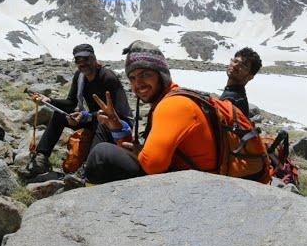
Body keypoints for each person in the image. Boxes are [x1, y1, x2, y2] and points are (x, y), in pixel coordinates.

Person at [83, 40, 217, 185]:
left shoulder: (173, 105)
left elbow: (153, 166)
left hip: (197, 185)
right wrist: (116, 127)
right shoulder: (167, 100)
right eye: (132, 78)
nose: (138, 84)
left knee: (101, 154)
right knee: (105, 131)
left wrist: (140, 153)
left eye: (145, 74)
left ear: (161, 75)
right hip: (187, 176)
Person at [20, 43, 133, 179]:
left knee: (102, 123)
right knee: (59, 115)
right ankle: (41, 158)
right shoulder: (80, 76)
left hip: (118, 125)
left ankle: (88, 169)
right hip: (94, 119)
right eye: (78, 60)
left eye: (86, 59)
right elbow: (71, 102)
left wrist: (87, 116)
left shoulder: (107, 78)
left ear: (94, 59)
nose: (82, 63)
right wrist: (49, 101)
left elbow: (116, 113)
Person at [220, 47, 262, 118]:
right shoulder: (237, 96)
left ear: (250, 76)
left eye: (243, 65)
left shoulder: (233, 100)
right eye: (235, 61)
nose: (236, 65)